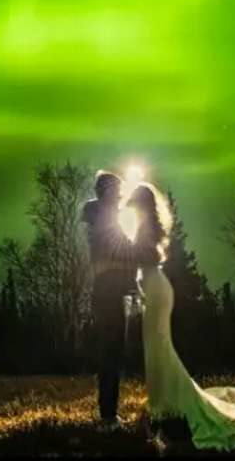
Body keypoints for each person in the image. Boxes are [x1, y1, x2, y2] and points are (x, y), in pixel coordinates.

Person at [125, 181, 235, 450]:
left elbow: (143, 257)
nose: (132, 207)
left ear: (142, 204)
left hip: (158, 292)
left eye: (134, 202)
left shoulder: (146, 228)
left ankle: (169, 406)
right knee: (157, 350)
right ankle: (164, 406)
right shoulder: (144, 226)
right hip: (156, 291)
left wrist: (123, 250)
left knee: (159, 350)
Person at [81, 170, 140, 429]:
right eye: (116, 190)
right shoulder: (105, 221)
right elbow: (118, 255)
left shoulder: (106, 219)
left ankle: (109, 412)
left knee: (112, 352)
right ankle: (107, 416)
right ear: (106, 191)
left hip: (109, 292)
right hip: (107, 293)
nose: (120, 195)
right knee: (110, 352)